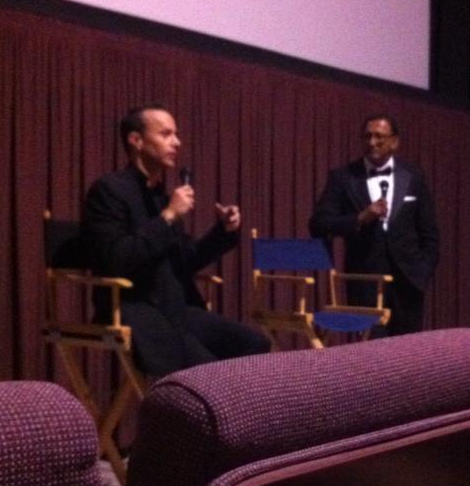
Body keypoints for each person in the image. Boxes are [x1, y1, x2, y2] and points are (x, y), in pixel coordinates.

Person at [82, 104, 270, 377]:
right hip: (133, 309)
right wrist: (168, 217)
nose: (177, 142)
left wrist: (223, 231)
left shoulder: (162, 197)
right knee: (209, 374)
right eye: (166, 134)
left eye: (176, 134)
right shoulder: (109, 190)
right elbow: (115, 259)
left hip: (175, 309)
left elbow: (186, 261)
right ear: (136, 140)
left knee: (255, 344)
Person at [309, 113, 439, 336]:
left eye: (379, 136)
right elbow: (318, 224)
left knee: (408, 351)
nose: (372, 142)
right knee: (373, 351)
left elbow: (430, 234)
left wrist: (422, 273)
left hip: (408, 284)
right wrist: (360, 218)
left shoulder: (413, 177)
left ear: (394, 142)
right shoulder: (343, 177)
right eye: (367, 136)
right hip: (365, 282)